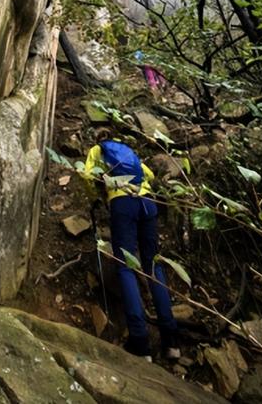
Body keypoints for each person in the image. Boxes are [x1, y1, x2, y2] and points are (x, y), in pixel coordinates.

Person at [83, 130, 180, 362]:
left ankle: (140, 341)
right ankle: (171, 342)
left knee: (126, 267)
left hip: (122, 203)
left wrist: (97, 196)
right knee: (153, 266)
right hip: (147, 203)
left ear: (99, 139)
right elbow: (147, 175)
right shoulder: (129, 153)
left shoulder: (98, 151)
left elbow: (87, 176)